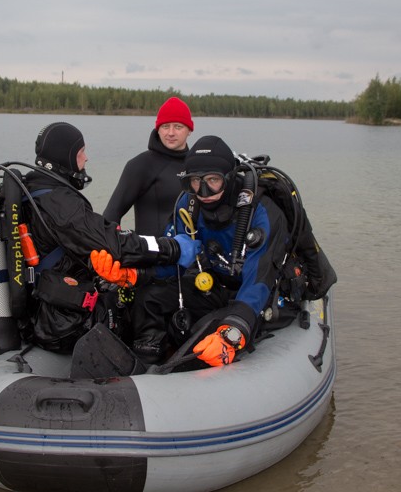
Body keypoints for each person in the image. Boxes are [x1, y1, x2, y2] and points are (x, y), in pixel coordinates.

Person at [91, 135, 336, 368]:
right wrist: (135, 275)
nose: (204, 192)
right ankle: (147, 362)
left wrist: (234, 330)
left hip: (266, 294)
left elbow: (258, 279)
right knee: (149, 296)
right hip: (217, 286)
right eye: (196, 182)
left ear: (229, 178)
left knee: (209, 326)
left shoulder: (261, 212)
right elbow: (178, 257)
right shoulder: (188, 207)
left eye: (213, 180)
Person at [13, 122, 200, 352]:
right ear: (66, 157)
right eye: (81, 152)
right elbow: (113, 245)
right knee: (142, 308)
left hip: (47, 310)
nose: (86, 159)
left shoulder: (33, 189)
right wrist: (171, 248)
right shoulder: (60, 204)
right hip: (64, 323)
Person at [103, 96, 194, 235]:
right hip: (151, 254)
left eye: (178, 127)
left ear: (189, 130)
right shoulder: (141, 165)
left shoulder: (196, 164)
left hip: (190, 252)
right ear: (158, 129)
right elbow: (110, 216)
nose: (170, 133)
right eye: (165, 126)